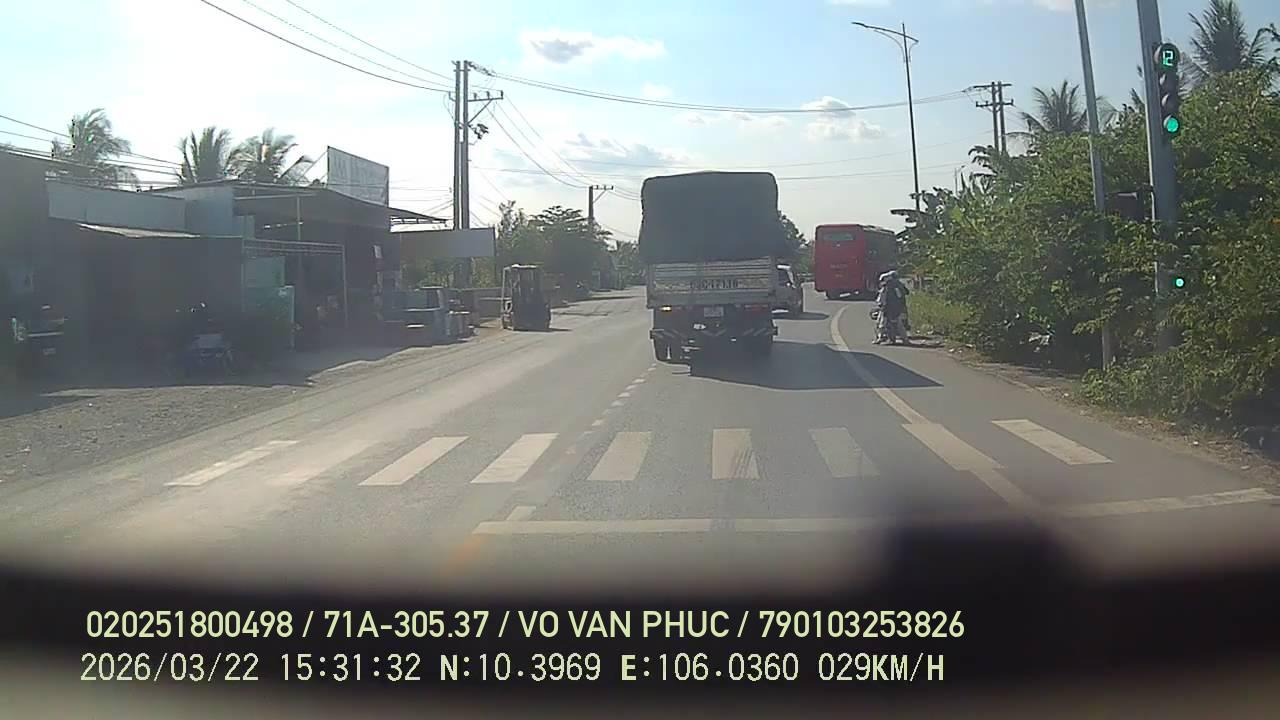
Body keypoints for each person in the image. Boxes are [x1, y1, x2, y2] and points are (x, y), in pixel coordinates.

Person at [874, 270, 911, 345]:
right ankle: (904, 340)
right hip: (897, 307)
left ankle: (881, 338)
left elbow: (882, 298)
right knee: (898, 324)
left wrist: (881, 305)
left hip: (888, 308)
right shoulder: (899, 285)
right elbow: (905, 293)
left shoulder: (887, 287)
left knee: (882, 324)